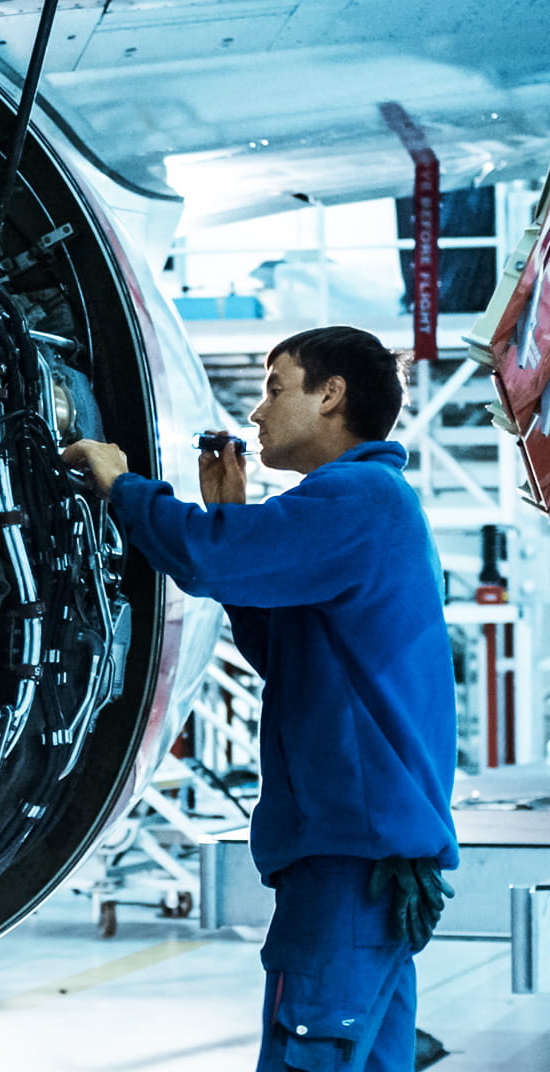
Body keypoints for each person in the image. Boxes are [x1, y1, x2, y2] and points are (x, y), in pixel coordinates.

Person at [60, 326, 458, 1072]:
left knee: (312, 1054)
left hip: (349, 857)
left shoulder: (356, 497)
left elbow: (206, 558)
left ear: (331, 395)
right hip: (363, 856)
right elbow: (281, 648)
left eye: (276, 389)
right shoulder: (366, 505)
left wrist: (122, 486)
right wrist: (233, 519)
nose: (256, 413)